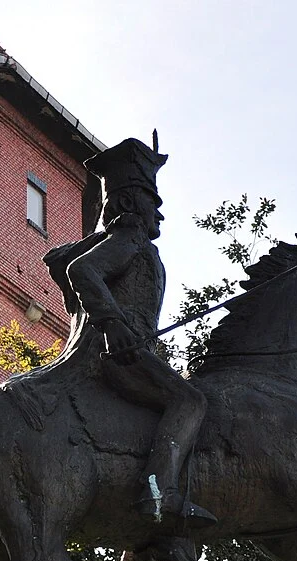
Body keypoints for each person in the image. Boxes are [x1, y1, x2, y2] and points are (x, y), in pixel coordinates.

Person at [43, 135, 215, 528]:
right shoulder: (128, 238)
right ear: (125, 203)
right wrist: (114, 324)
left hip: (122, 349)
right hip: (119, 353)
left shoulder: (120, 240)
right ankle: (159, 493)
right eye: (152, 202)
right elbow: (81, 270)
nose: (160, 214)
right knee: (189, 402)